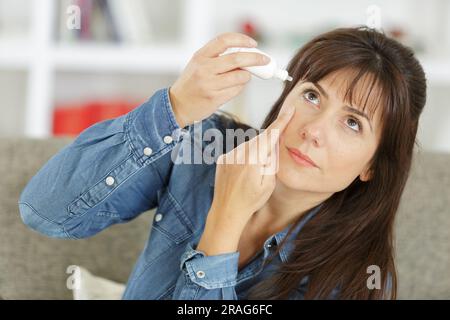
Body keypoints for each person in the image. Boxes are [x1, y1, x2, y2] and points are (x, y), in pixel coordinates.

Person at [19, 27, 427, 299]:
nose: (314, 130)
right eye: (313, 96)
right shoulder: (207, 145)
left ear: (371, 166)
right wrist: (175, 108)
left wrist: (226, 220)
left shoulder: (356, 282)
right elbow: (45, 212)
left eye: (352, 123)